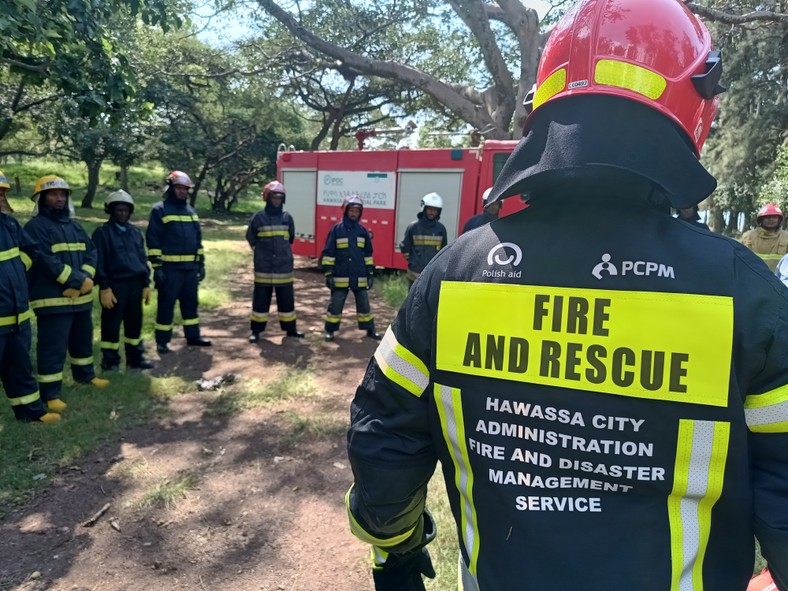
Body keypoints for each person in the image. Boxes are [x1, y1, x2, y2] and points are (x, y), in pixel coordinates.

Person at [347, 1, 788, 590]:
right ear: (695, 106)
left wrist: (395, 549)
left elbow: (384, 438)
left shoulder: (456, 272)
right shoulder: (741, 291)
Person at [24, 176, 109, 412]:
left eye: (63, 194)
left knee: (82, 341)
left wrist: (87, 280)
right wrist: (77, 280)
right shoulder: (35, 227)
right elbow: (44, 260)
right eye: (53, 194)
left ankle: (85, 376)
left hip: (80, 299)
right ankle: (50, 393)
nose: (59, 198)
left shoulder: (75, 226)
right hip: (52, 300)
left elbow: (92, 252)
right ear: (42, 199)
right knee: (53, 348)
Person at [0, 170, 59, 423]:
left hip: (18, 315)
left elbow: (31, 250)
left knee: (20, 366)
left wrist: (14, 271)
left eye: (2, 192)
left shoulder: (9, 224)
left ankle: (31, 412)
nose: (0, 196)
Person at [146, 170, 211, 354]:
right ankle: (162, 341)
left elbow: (197, 239)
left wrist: (201, 263)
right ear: (170, 188)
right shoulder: (160, 210)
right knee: (166, 305)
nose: (182, 192)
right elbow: (153, 241)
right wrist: (157, 267)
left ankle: (193, 336)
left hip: (190, 269)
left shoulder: (191, 212)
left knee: (191, 304)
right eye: (179, 188)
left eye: (185, 189)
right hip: (169, 269)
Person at [92, 190, 154, 371]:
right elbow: (99, 261)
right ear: (111, 211)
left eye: (126, 210)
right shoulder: (102, 233)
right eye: (118, 210)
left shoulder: (135, 232)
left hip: (135, 285)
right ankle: (110, 361)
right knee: (111, 324)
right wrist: (104, 287)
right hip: (114, 287)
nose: (122, 213)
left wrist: (146, 283)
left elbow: (142, 259)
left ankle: (136, 358)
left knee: (135, 323)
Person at [246, 181, 304, 342]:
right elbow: (251, 238)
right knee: (260, 302)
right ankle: (256, 331)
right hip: (263, 268)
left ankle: (291, 330)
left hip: (283, 268)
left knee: (287, 302)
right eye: (274, 197)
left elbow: (290, 238)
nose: (277, 201)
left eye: (280, 198)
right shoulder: (258, 218)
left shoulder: (287, 218)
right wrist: (262, 255)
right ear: (267, 198)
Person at [321, 195, 379, 341]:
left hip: (359, 275)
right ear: (346, 211)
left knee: (364, 305)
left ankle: (370, 329)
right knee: (336, 305)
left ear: (360, 213)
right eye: (351, 211)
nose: (354, 214)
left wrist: (370, 273)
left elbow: (368, 254)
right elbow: (329, 252)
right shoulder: (336, 230)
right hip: (340, 275)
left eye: (357, 211)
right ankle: (330, 330)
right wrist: (328, 274)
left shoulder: (362, 231)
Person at [400, 192, 448, 288]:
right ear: (424, 208)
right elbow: (405, 248)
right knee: (413, 302)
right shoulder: (413, 227)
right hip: (414, 275)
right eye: (430, 209)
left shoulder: (441, 229)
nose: (432, 212)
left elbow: (444, 251)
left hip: (433, 274)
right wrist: (414, 261)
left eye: (435, 210)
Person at [740, 203, 788, 272]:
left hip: (778, 280)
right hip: (753, 277)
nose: (771, 220)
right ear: (760, 220)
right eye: (767, 217)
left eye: (774, 217)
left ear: (779, 220)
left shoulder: (786, 237)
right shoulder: (748, 236)